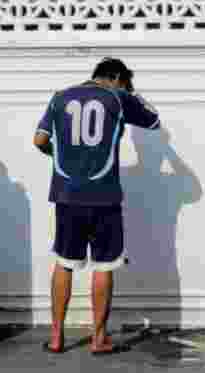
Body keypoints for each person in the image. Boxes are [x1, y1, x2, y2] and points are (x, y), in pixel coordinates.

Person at [33, 58, 161, 354]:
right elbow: (154, 120)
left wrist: (57, 155)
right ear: (116, 77)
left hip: (66, 194)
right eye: (125, 82)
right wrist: (131, 93)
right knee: (104, 265)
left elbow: (39, 140)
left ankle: (55, 338)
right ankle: (99, 339)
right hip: (104, 196)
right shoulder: (118, 97)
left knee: (64, 262)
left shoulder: (60, 96)